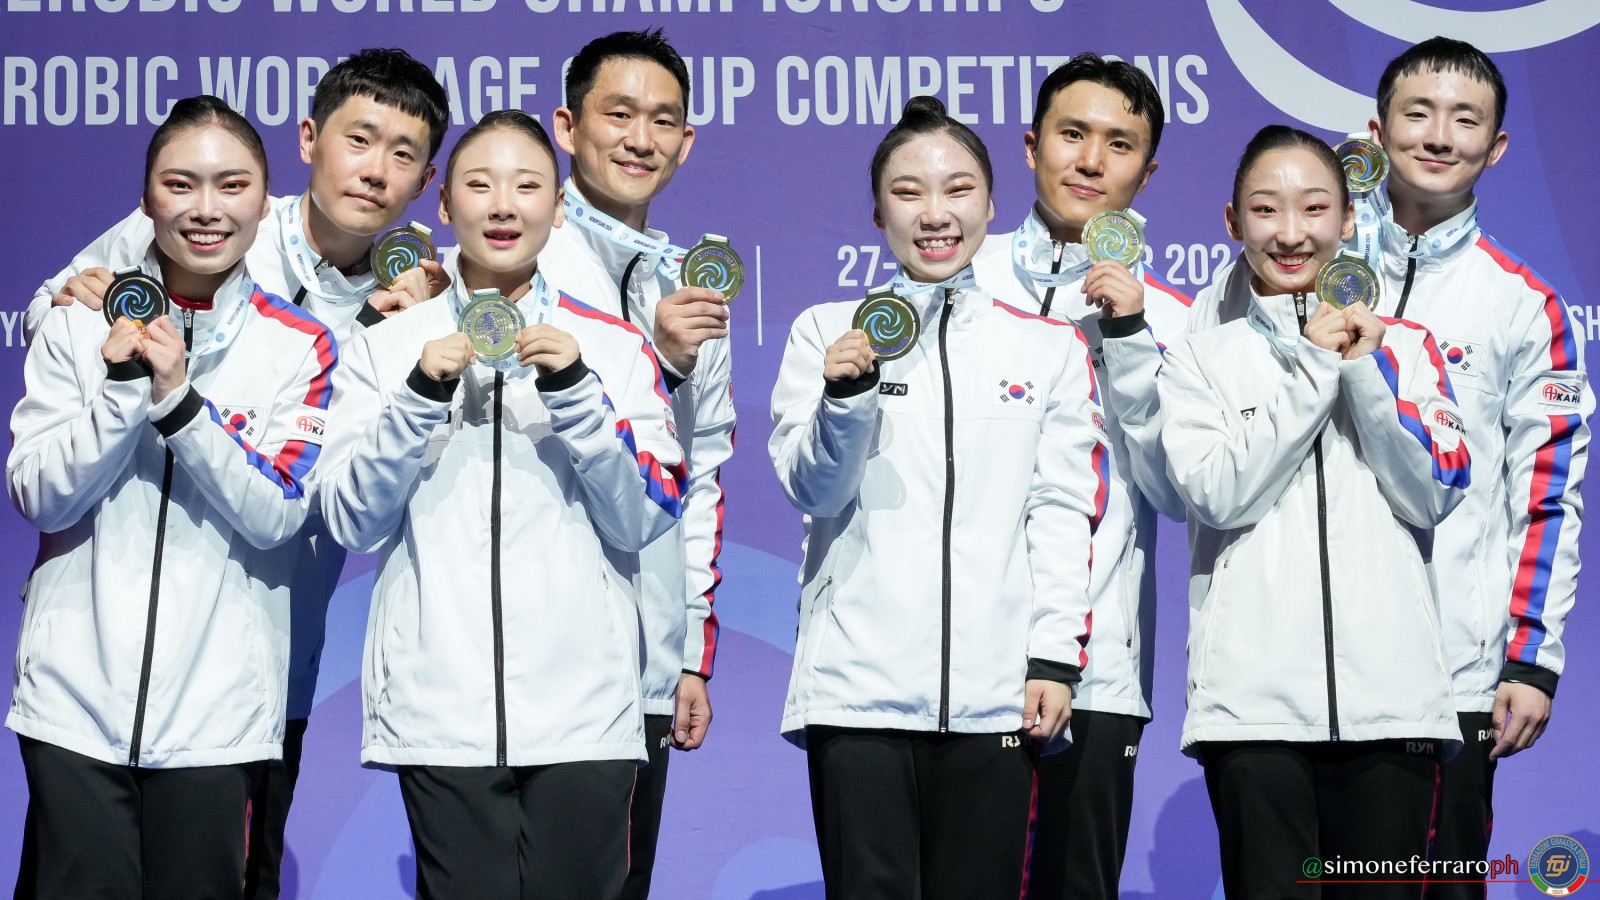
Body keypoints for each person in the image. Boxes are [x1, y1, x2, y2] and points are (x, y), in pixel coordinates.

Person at [23, 49, 452, 900]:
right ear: (309, 140)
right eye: (359, 139)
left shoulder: (417, 294)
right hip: (95, 661)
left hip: (259, 658)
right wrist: (86, 314)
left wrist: (391, 343)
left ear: (425, 179)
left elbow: (350, 484)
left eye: (402, 153)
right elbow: (52, 312)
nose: (375, 170)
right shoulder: (216, 204)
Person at [317, 109, 686, 900]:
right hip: (439, 709)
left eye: (528, 186)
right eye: (480, 185)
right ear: (444, 203)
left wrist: (578, 395)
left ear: (558, 205)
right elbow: (352, 520)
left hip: (584, 712)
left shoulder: (615, 347)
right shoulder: (385, 346)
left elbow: (644, 518)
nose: (504, 206)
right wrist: (418, 398)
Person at [769, 95, 1106, 899]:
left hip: (997, 697)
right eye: (908, 191)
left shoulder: (1047, 348)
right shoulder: (825, 331)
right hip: (856, 695)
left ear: (990, 205)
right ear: (877, 212)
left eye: (958, 190)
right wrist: (846, 398)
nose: (934, 214)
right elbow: (814, 489)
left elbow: (1061, 513)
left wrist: (1054, 658)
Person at [6, 96, 338, 900]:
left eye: (232, 186)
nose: (206, 209)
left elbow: (277, 514)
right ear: (147, 199)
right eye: (180, 184)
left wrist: (180, 404)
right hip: (72, 704)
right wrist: (123, 389)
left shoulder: (300, 343)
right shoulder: (77, 325)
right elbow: (40, 496)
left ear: (265, 200)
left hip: (219, 719)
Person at [1161, 124, 1468, 899]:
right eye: (1266, 209)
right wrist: (1313, 368)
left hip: (1393, 705)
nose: (1291, 233)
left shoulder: (1409, 347)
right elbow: (1219, 493)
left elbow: (1434, 492)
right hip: (1252, 714)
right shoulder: (1200, 357)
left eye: (1315, 208)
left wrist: (1365, 372)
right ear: (1233, 222)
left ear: (1350, 217)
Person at [1358, 39, 1591, 897]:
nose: (1438, 135)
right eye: (1417, 112)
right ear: (1376, 130)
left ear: (1495, 149)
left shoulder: (1523, 305)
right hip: (1307, 665)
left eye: (1465, 120)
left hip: (1452, 671)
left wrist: (1529, 660)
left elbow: (1549, 497)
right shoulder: (1304, 269)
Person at [971, 52, 1189, 899]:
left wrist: (1129, 340)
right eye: (1072, 134)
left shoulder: (1173, 319)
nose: (1091, 161)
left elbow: (1177, 491)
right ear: (1031, 145)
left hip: (1097, 671)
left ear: (1148, 170)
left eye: (1119, 144)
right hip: (956, 661)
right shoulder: (957, 275)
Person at [542, 29, 735, 897]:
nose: (640, 139)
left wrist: (687, 653)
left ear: (686, 143)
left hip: (643, 668)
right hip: (524, 658)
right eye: (618, 114)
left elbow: (701, 480)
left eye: (662, 121)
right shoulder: (512, 265)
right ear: (568, 127)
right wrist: (654, 364)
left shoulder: (693, 290)